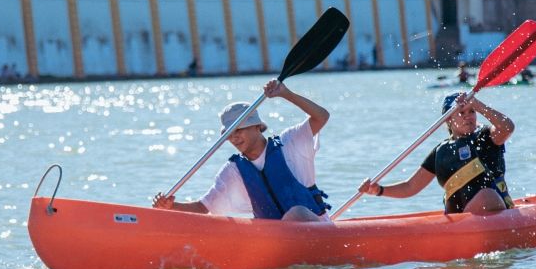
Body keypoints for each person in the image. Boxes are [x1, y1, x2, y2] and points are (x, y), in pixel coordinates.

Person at [152, 80, 331, 221]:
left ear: (257, 127)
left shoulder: (290, 142)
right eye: (229, 133)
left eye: (239, 130)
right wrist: (171, 207)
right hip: (274, 240)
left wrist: (285, 93)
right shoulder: (233, 171)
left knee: (296, 213)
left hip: (316, 229)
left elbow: (321, 116)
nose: (233, 137)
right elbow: (203, 208)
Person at [358, 92, 515, 215]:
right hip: (458, 217)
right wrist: (379, 190)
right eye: (461, 112)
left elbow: (508, 127)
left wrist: (479, 105)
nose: (468, 116)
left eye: (472, 111)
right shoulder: (441, 151)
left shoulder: (486, 137)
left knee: (486, 196)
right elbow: (410, 186)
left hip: (494, 209)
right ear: (448, 120)